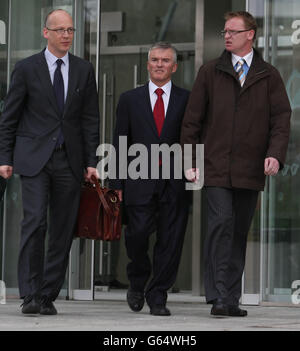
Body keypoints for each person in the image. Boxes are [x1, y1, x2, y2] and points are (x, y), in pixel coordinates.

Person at [181, 11, 291, 317]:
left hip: (250, 168)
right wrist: (190, 160)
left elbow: (281, 119)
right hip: (214, 167)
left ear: (250, 34)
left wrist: (275, 153)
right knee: (221, 223)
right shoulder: (209, 72)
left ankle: (230, 298)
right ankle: (218, 295)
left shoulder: (268, 75)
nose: (226, 36)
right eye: (224, 31)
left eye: (233, 31)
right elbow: (191, 122)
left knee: (239, 230)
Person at [0, 9, 100, 315]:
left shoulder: (84, 69)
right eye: (60, 30)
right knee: (34, 223)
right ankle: (30, 293)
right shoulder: (27, 68)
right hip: (33, 160)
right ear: (46, 33)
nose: (66, 35)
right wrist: (4, 157)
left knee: (62, 229)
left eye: (70, 30)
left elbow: (89, 119)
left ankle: (47, 295)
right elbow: (9, 117)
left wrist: (91, 160)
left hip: (68, 161)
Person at [110, 42, 190, 316]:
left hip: (174, 183)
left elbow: (193, 139)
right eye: (154, 59)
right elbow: (119, 143)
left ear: (174, 66)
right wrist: (116, 184)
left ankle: (158, 296)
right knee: (138, 236)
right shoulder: (129, 99)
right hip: (138, 181)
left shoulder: (186, 99)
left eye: (165, 60)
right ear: (147, 64)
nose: (159, 64)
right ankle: (137, 280)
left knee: (170, 241)